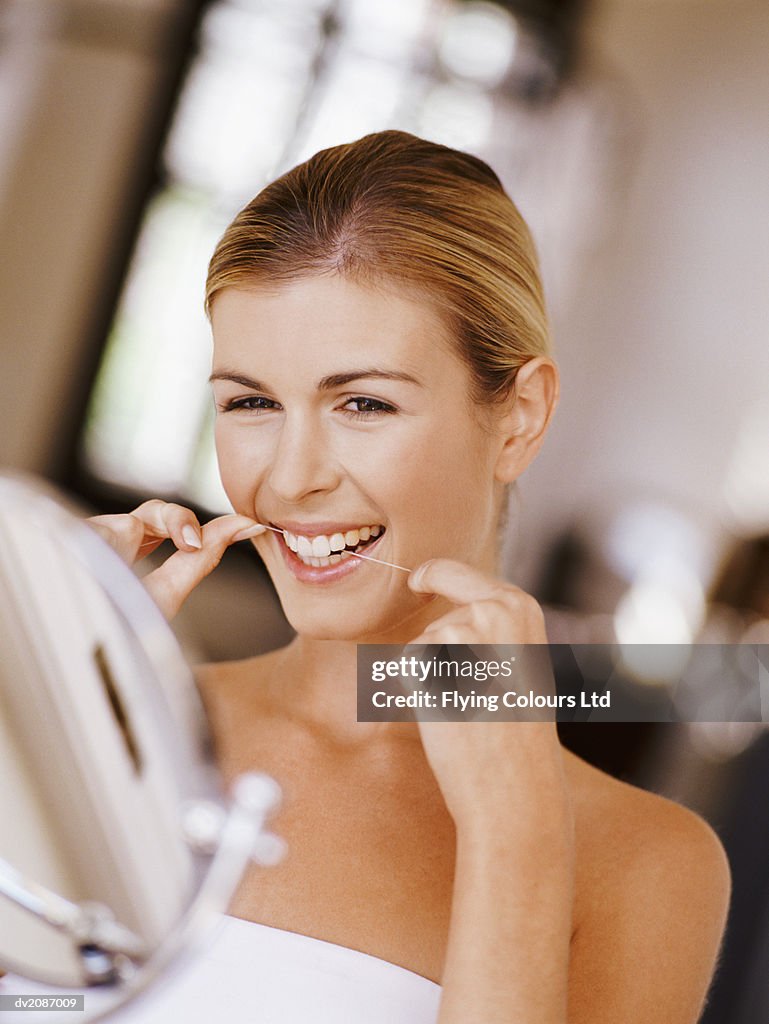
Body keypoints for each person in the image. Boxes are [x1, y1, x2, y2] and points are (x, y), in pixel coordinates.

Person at [89, 131, 730, 1023]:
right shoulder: (100, 730)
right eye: (251, 403)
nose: (289, 477)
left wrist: (514, 839)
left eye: (364, 403)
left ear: (517, 418)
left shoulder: (642, 861)